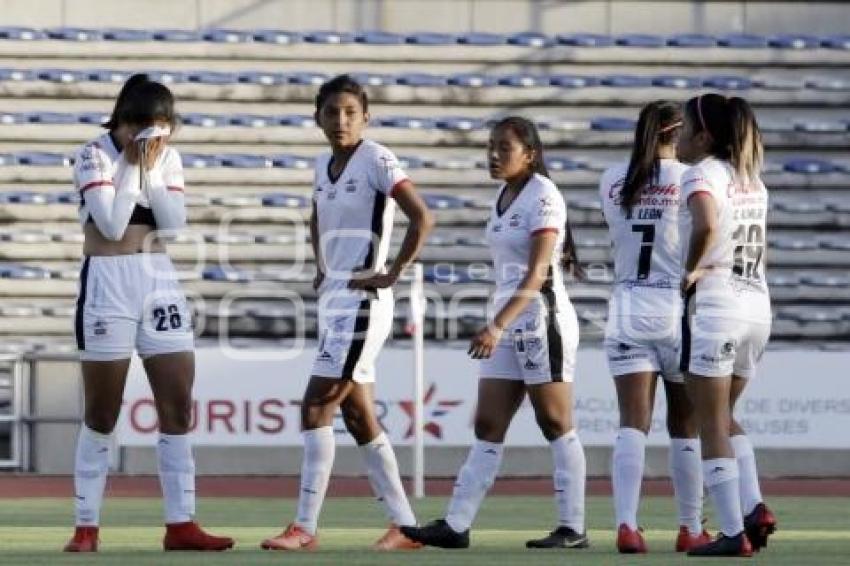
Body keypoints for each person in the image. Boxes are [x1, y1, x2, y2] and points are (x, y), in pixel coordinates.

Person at [260, 75, 435, 552]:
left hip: (362, 299)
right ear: (318, 117)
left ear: (365, 118)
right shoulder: (322, 163)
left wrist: (392, 271)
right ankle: (405, 526)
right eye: (332, 112)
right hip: (335, 298)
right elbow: (317, 214)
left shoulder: (377, 158)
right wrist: (321, 266)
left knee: (316, 407)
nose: (341, 120)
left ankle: (304, 527)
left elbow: (422, 216)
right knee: (358, 417)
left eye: (350, 113)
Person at [64, 74, 234, 552]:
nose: (150, 141)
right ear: (121, 122)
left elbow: (175, 225)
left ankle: (181, 524)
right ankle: (86, 526)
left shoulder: (169, 158)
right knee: (102, 411)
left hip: (158, 278)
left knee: (178, 404)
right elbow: (114, 224)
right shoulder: (93, 154)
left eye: (160, 130)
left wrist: (152, 169)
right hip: (107, 281)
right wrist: (137, 168)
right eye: (140, 130)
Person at [401, 117, 588, 550]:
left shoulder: (544, 194)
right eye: (491, 146)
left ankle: (572, 526)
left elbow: (539, 272)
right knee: (488, 422)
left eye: (505, 147)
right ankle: (456, 523)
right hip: (508, 318)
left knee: (555, 421)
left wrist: (498, 324)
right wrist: (501, 321)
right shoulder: (504, 197)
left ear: (531, 154)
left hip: (541, 318)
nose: (494, 154)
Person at [599, 101, 710, 553]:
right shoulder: (690, 178)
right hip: (677, 306)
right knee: (685, 425)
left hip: (627, 303)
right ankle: (689, 527)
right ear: (677, 132)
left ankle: (627, 525)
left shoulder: (611, 179)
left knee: (632, 423)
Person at [677, 93, 776, 557]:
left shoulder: (702, 174)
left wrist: (691, 270)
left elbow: (706, 226)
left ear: (704, 136)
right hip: (757, 305)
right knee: (726, 415)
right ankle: (754, 507)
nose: (676, 136)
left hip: (719, 304)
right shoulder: (752, 179)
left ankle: (734, 533)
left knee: (708, 420)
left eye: (682, 128)